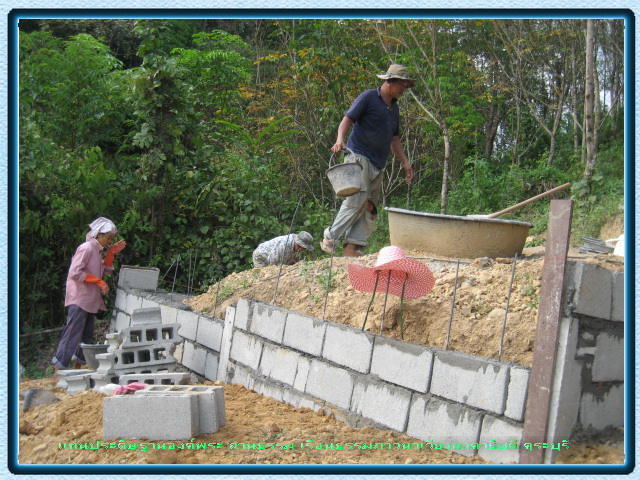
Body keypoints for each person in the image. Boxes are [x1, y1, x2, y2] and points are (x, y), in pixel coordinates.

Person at [321, 64, 415, 257]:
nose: (403, 90)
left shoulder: (394, 109)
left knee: (370, 206)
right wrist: (340, 139)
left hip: (378, 162)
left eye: (406, 87)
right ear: (390, 82)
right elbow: (347, 119)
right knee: (357, 200)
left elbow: (394, 140)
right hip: (358, 156)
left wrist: (405, 163)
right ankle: (330, 237)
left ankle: (351, 249)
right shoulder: (369, 97)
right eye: (402, 85)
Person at [52, 217, 126, 377]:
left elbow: (103, 271)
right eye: (108, 238)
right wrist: (99, 281)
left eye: (111, 239)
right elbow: (75, 272)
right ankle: (59, 369)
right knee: (72, 333)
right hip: (80, 298)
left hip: (90, 300)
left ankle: (77, 367)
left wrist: (111, 253)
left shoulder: (97, 251)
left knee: (86, 335)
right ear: (99, 235)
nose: (109, 241)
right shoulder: (86, 248)